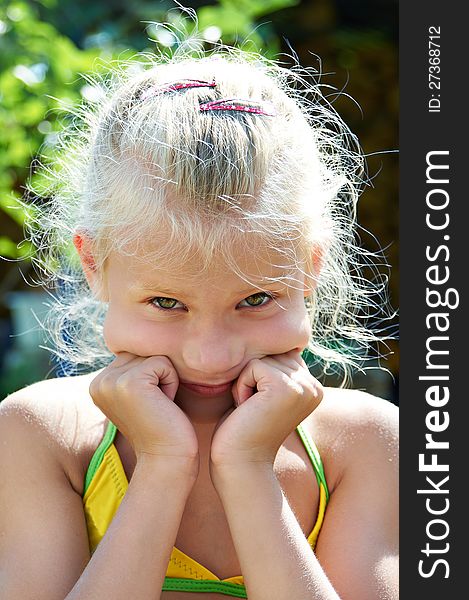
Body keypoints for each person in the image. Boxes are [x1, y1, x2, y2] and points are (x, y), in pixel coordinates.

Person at [0, 40, 398, 600]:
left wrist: (250, 470)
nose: (210, 355)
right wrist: (162, 468)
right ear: (94, 265)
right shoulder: (44, 436)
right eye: (167, 303)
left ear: (310, 269)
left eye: (255, 299)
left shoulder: (364, 444)